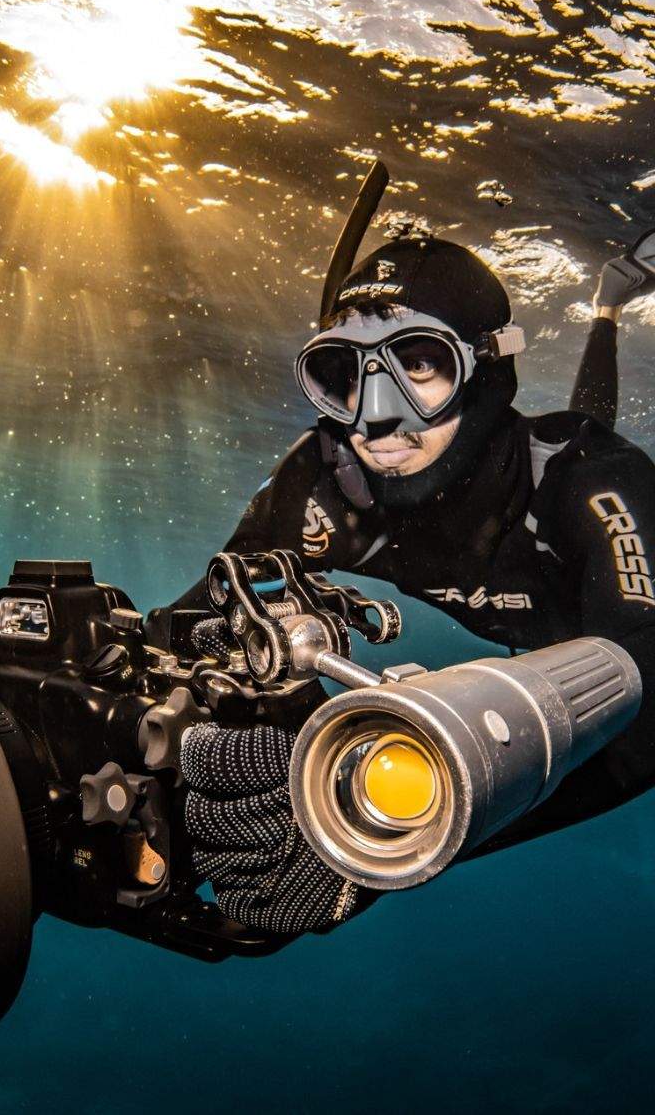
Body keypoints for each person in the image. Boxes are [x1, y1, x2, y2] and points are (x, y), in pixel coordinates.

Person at [174, 228, 655, 935]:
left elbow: (649, 695)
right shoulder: (329, 484)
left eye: (419, 363)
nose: (375, 416)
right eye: (343, 371)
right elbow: (196, 620)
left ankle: (607, 307)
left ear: (485, 369)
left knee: (593, 412)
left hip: (594, 601)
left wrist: (391, 833)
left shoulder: (590, 481)